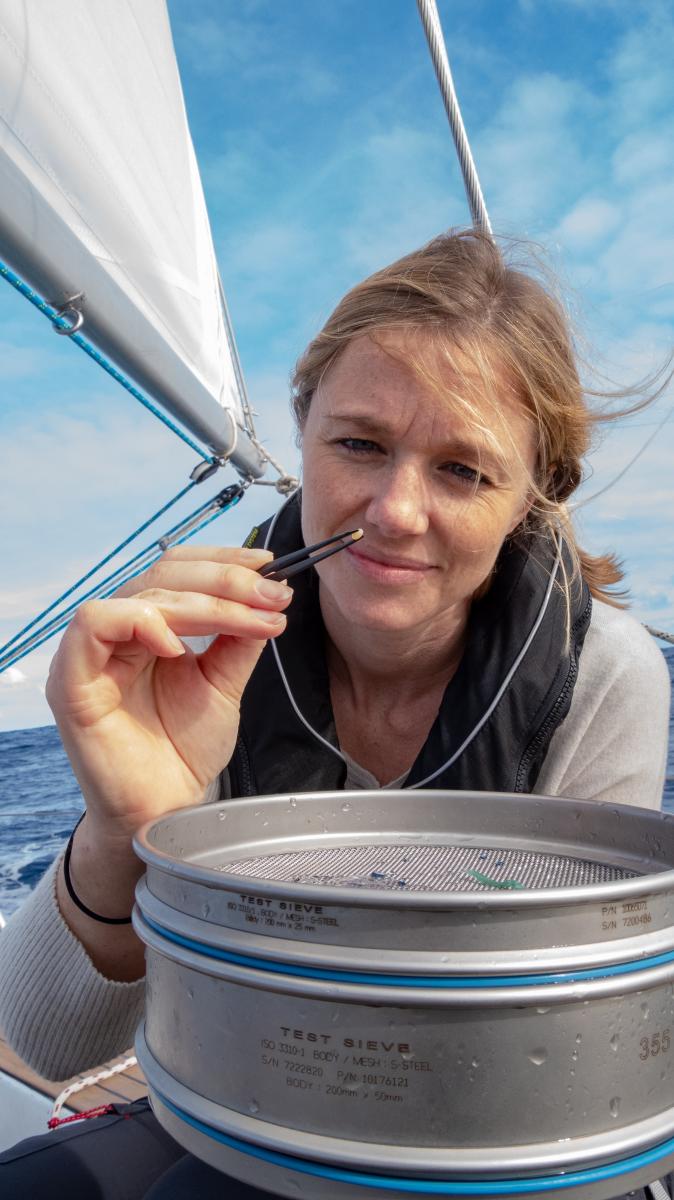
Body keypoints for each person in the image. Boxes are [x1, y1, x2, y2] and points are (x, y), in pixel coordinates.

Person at [0, 229, 670, 1199]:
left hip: (492, 1134)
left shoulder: (598, 671)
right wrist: (131, 825)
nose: (395, 510)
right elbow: (52, 1039)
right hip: (253, 1099)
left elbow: (580, 1057)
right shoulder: (196, 653)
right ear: (302, 436)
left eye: (462, 470)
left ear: (531, 497)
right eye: (358, 444)